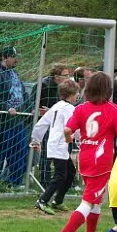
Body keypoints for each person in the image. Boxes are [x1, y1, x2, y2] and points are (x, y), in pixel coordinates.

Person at [51, 72, 117, 232]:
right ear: (108, 90)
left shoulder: (80, 108)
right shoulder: (113, 109)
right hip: (101, 161)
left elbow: (67, 130)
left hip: (84, 159)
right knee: (87, 201)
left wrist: (68, 139)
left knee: (96, 199)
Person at [30, 79, 81, 215]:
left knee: (70, 172)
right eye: (77, 93)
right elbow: (73, 126)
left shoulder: (56, 106)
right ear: (70, 94)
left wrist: (36, 139)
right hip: (59, 145)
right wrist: (81, 141)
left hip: (54, 144)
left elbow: (42, 124)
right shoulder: (69, 109)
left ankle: (57, 200)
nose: (78, 96)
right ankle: (42, 201)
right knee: (60, 175)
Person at [0, 46, 30, 188]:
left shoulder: (14, 73)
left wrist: (29, 107)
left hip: (17, 121)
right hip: (2, 121)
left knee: (20, 151)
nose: (16, 60)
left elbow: (24, 94)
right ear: (5, 57)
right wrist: (6, 108)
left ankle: (15, 181)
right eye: (13, 57)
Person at [35, 63, 71, 189]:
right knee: (46, 155)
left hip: (58, 126)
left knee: (62, 153)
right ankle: (44, 183)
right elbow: (34, 105)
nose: (68, 78)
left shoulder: (63, 88)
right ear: (56, 76)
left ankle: (61, 182)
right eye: (65, 75)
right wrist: (41, 111)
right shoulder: (43, 86)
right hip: (45, 125)